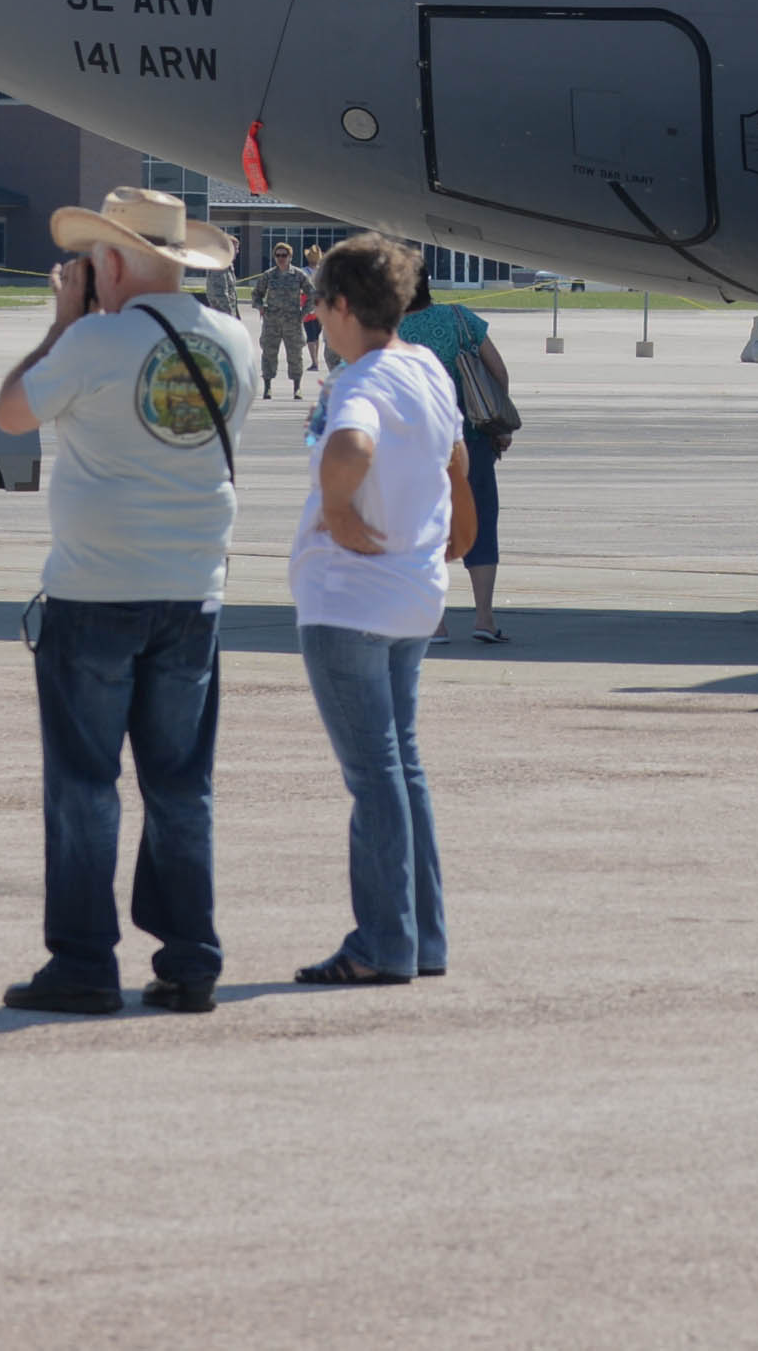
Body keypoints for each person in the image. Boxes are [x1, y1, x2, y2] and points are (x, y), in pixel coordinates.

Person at [0, 182, 249, 1016]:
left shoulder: (94, 341)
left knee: (85, 784)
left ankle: (83, 960)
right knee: (181, 783)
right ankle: (190, 956)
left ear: (110, 261)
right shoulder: (235, 343)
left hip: (96, 591)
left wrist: (63, 323)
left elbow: (11, 412)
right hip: (191, 591)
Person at [289, 234, 474, 986]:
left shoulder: (355, 381)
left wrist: (335, 507)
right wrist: (463, 526)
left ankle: (382, 943)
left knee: (374, 777)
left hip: (349, 599)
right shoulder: (425, 365)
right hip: (413, 594)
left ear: (340, 306)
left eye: (319, 303)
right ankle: (422, 935)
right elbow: (457, 457)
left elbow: (350, 447)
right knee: (404, 766)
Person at [393, 270, 516, 644]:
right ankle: (484, 617)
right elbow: (498, 371)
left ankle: (437, 624)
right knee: (480, 524)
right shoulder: (461, 319)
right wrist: (500, 426)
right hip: (472, 441)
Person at [252, 241, 317, 396]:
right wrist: (261, 307)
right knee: (268, 354)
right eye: (278, 255)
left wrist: (304, 313)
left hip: (292, 322)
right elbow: (256, 294)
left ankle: (297, 387)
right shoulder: (268, 275)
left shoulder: (299, 275)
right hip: (272, 322)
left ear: (290, 257)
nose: (281, 258)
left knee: (295, 355)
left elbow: (312, 294)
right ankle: (267, 386)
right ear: (274, 257)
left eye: (284, 255)